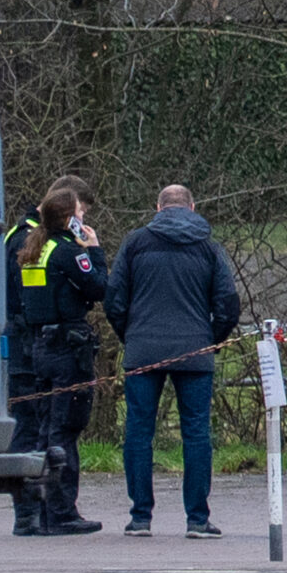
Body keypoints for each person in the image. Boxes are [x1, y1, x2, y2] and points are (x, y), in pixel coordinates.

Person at [105, 184, 241, 537]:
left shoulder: (135, 243)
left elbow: (114, 300)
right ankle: (197, 518)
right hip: (194, 351)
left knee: (138, 432)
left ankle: (140, 517)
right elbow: (228, 304)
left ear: (158, 207)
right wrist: (210, 340)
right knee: (196, 433)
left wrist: (131, 336)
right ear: (192, 207)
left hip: (143, 351)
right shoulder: (209, 248)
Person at [3, 174, 96, 536]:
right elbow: (30, 296)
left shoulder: (25, 237)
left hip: (31, 343)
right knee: (36, 429)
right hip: (34, 344)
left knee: (38, 428)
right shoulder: (29, 241)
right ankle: (34, 510)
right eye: (80, 212)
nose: (81, 220)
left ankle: (37, 510)